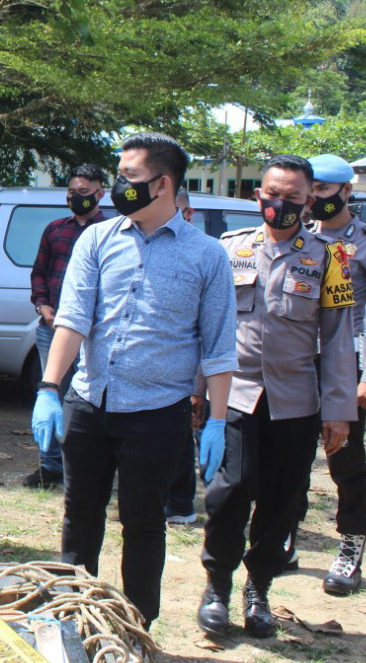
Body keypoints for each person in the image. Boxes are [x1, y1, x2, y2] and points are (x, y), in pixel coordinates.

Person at [31, 132, 238, 627]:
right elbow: (73, 319)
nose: (119, 187)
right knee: (80, 515)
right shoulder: (97, 239)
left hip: (157, 413)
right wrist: (49, 389)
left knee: (144, 524)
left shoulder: (207, 256)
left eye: (129, 178)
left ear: (163, 184)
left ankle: (137, 627)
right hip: (90, 403)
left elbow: (218, 347)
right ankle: (71, 620)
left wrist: (218, 421)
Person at [197, 154, 357, 638]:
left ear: (311, 200)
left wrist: (339, 413)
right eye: (272, 194)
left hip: (296, 402)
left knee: (282, 501)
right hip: (237, 396)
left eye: (292, 197)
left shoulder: (331, 259)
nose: (280, 204)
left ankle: (258, 587)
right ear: (257, 195)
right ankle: (217, 587)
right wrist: (197, 394)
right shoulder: (227, 250)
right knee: (229, 494)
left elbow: (337, 340)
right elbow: (203, 327)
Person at [301, 154, 366, 595]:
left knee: (346, 462)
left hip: (345, 364)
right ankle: (284, 536)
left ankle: (351, 548)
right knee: (292, 456)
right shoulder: (300, 237)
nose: (315, 197)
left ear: (346, 192)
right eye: (312, 189)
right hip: (299, 364)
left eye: (323, 189)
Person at [26, 164, 107, 488]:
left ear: (100, 194)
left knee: (87, 400)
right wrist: (43, 307)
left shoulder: (112, 232)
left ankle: (84, 468)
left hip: (94, 335)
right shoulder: (55, 229)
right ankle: (49, 467)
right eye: (72, 193)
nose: (76, 198)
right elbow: (39, 273)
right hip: (52, 329)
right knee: (51, 393)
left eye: (84, 194)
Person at [165, 187, 202, 524]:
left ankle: (181, 504)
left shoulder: (205, 253)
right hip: (163, 366)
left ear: (188, 213)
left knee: (186, 436)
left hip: (197, 366)